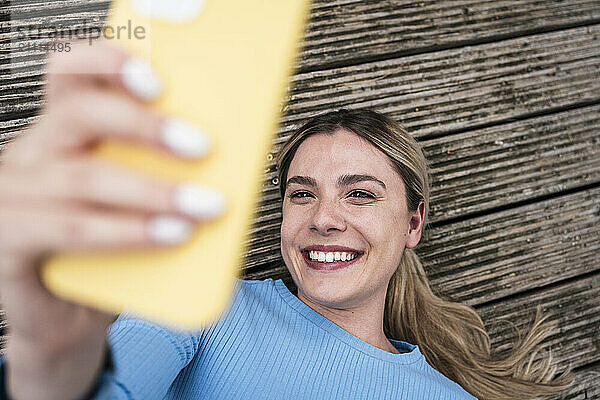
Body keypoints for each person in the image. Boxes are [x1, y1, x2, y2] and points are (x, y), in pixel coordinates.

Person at [0, 42, 572, 400]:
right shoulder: (205, 306)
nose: (323, 218)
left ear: (414, 224)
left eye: (361, 195)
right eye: (302, 194)